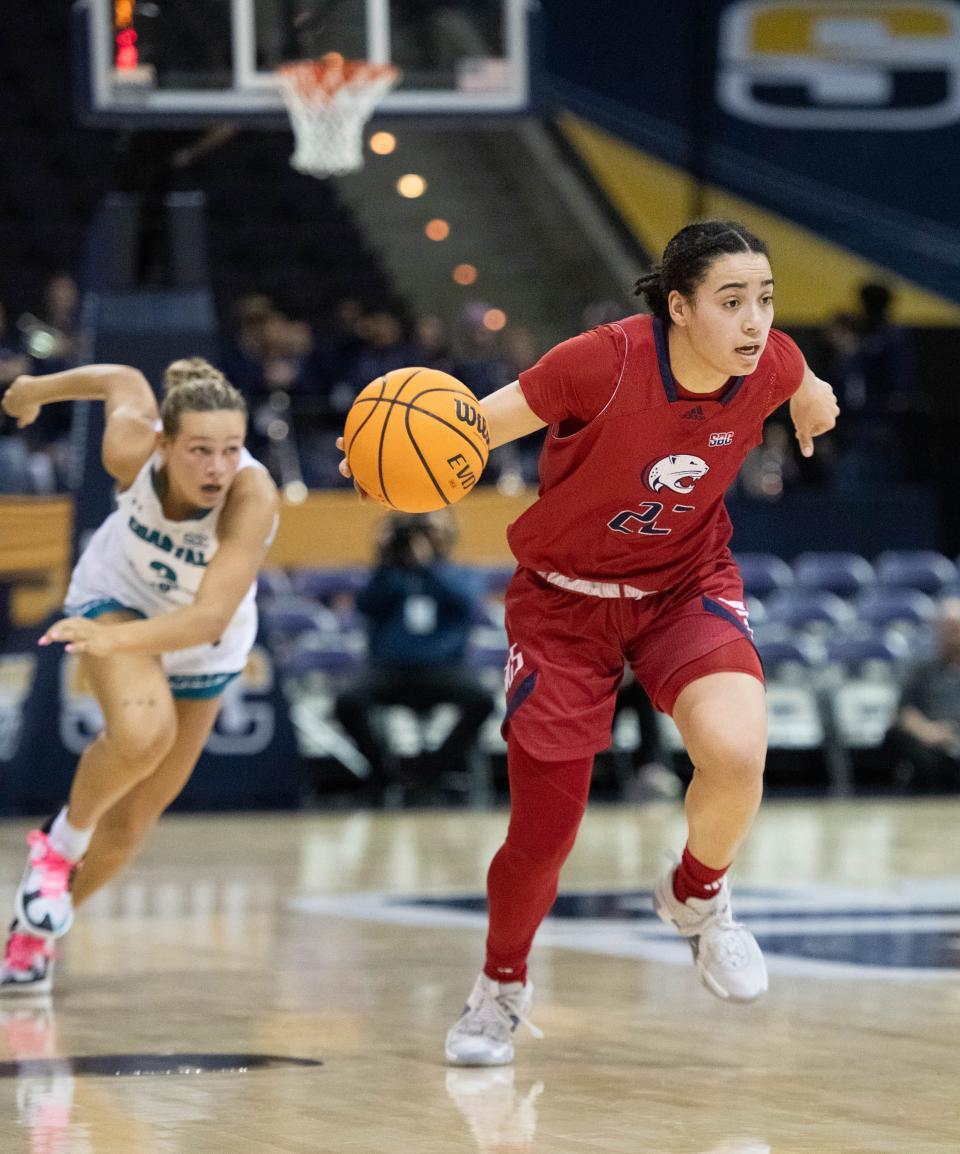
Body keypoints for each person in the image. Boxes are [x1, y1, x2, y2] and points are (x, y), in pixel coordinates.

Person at [342, 218, 839, 1063]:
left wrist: (811, 391)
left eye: (765, 299)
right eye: (732, 302)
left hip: (684, 588)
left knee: (737, 753)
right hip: (564, 608)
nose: (755, 321)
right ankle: (500, 987)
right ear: (679, 308)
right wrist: (394, 457)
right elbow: (470, 429)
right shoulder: (599, 364)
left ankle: (698, 898)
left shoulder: (770, 363)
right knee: (546, 833)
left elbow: (801, 375)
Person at [0, 357, 279, 995]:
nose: (216, 468)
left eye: (231, 450)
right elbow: (121, 379)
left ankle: (33, 937)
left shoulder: (250, 495)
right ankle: (57, 846)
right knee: (142, 735)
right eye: (200, 450)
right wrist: (33, 392)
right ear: (163, 443)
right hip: (115, 593)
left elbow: (208, 618)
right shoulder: (131, 450)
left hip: (204, 641)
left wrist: (115, 641)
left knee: (128, 830)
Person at [334, 510, 495, 798]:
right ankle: (383, 772)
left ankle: (430, 772)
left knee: (482, 700)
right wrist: (385, 557)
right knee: (347, 701)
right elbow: (367, 604)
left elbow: (465, 601)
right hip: (389, 671)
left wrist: (429, 564)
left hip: (444, 670)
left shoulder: (460, 573)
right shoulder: (390, 575)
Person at [887, 598, 960, 792]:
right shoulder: (923, 671)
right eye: (948, 628)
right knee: (895, 736)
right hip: (930, 744)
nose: (953, 635)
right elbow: (904, 711)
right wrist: (928, 731)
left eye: (957, 628)